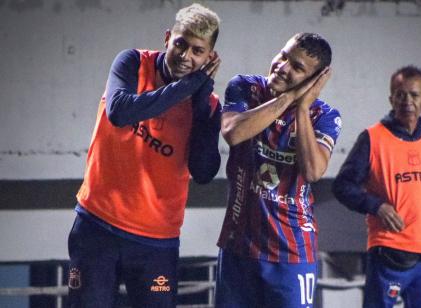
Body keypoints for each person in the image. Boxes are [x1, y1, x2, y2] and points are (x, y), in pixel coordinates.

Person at [67, 4, 222, 307]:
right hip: (97, 225)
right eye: (180, 43)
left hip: (156, 242)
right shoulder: (132, 62)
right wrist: (188, 85)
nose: (186, 56)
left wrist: (200, 103)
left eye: (197, 50)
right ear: (167, 37)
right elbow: (120, 112)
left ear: (209, 57)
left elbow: (204, 172)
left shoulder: (209, 105)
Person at [215, 32, 341, 308]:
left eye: (297, 68)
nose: (282, 67)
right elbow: (234, 133)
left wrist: (302, 107)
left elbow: (312, 171)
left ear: (314, 81)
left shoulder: (325, 116)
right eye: (283, 56)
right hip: (239, 246)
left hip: (291, 253)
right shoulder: (245, 88)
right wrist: (288, 98)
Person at [332, 66, 421, 308]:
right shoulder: (373, 137)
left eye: (414, 95)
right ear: (391, 99)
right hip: (389, 253)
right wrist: (377, 207)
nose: (407, 101)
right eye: (400, 94)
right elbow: (342, 185)